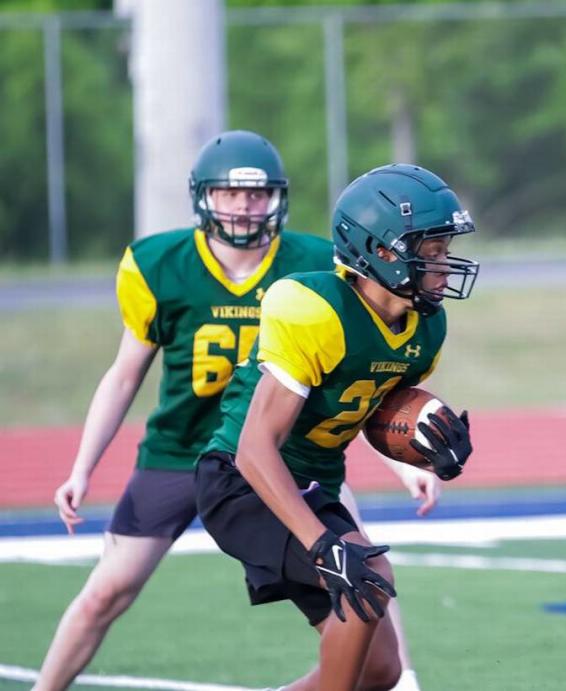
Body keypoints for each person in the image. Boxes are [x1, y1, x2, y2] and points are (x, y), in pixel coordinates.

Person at [35, 132, 435, 691]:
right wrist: (82, 467)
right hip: (186, 450)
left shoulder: (316, 266)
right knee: (107, 589)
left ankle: (401, 678)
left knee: (362, 565)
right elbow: (125, 373)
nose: (244, 207)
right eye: (230, 194)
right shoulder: (162, 265)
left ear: (278, 199)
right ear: (204, 198)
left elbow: (364, 382)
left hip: (294, 452)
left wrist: (405, 463)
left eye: (257, 194)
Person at [194, 163, 478, 690]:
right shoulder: (315, 308)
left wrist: (421, 445)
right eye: (431, 253)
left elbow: (373, 412)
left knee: (380, 670)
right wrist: (325, 545)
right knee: (369, 580)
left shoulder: (426, 326)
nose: (444, 267)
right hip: (243, 480)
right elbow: (256, 449)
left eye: (445, 251)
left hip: (313, 485)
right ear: (381, 251)